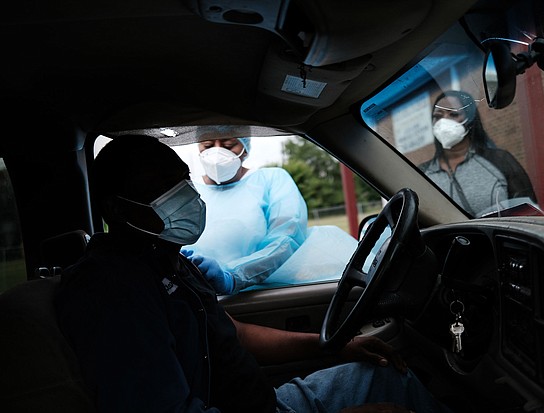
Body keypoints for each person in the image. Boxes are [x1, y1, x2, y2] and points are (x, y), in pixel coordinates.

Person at [54, 134, 451, 413]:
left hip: (268, 403)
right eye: (162, 188)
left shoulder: (164, 257)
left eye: (182, 181)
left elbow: (235, 334)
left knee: (389, 376)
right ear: (118, 210)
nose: (185, 196)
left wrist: (333, 346)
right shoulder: (113, 290)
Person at [181, 136, 308, 294]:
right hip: (196, 296)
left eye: (228, 145)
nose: (216, 153)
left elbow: (286, 239)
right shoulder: (186, 190)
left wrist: (234, 277)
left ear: (245, 148)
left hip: (259, 294)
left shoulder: (271, 180)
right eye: (208, 146)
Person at [419, 90, 537, 217]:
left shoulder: (500, 160)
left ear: (470, 120)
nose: (443, 122)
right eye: (437, 116)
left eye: (453, 114)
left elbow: (530, 213)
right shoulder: (422, 174)